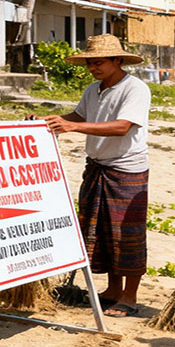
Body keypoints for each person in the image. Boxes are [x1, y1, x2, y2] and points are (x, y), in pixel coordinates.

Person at [34, 35, 150, 317]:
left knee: (127, 234)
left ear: (117, 60)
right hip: (97, 165)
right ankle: (113, 290)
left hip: (126, 168)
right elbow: (78, 115)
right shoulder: (93, 90)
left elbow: (122, 126)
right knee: (103, 232)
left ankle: (130, 296)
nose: (93, 68)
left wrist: (73, 128)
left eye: (99, 62)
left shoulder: (135, 89)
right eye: (89, 63)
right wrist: (49, 122)